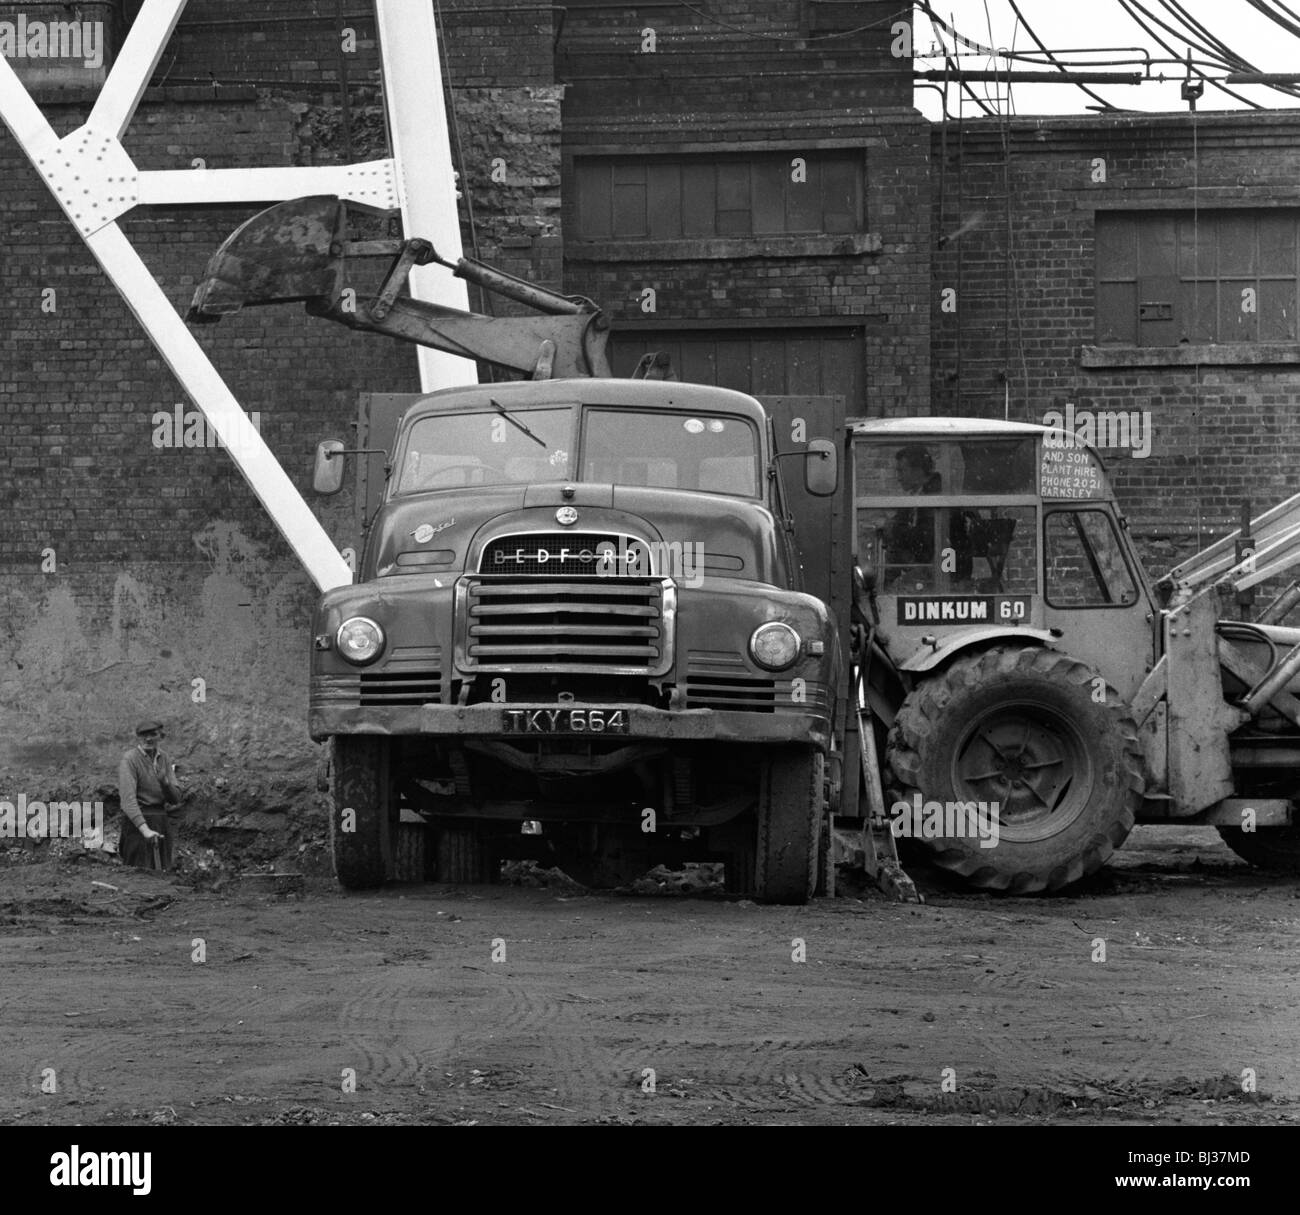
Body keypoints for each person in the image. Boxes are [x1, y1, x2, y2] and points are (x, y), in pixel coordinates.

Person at [118, 720, 184, 870]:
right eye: (143, 735)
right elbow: (128, 801)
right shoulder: (130, 759)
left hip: (161, 822)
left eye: (153, 735)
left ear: (161, 736)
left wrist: (165, 783)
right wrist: (145, 830)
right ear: (137, 737)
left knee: (163, 872)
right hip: (137, 825)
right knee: (140, 874)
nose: (148, 739)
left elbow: (176, 799)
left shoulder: (164, 758)